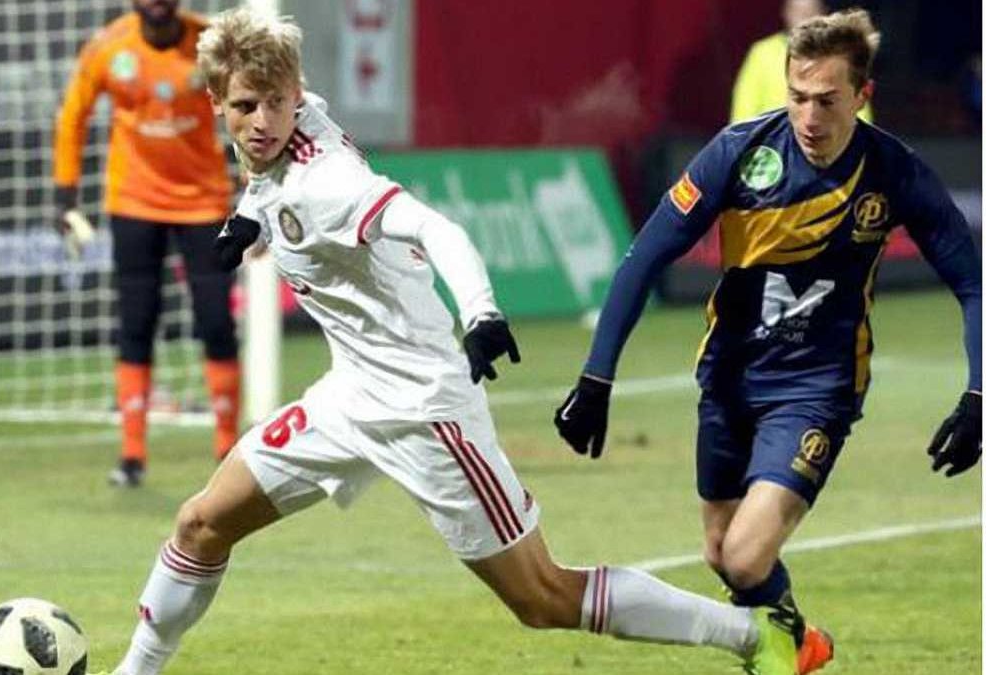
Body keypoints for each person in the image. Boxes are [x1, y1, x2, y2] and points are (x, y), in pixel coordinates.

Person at [90, 8, 804, 675]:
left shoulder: (327, 183)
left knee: (542, 596)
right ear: (216, 102)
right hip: (348, 396)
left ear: (296, 94)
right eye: (247, 106)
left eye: (277, 103)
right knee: (201, 522)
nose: (264, 121)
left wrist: (481, 312)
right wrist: (251, 212)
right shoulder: (292, 133)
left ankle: (755, 634)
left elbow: (437, 230)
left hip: (424, 407)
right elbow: (269, 171)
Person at [556, 8, 980, 674]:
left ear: (862, 95)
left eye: (827, 100)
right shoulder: (739, 152)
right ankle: (796, 643)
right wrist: (596, 377)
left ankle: (779, 655)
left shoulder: (893, 171)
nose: (809, 116)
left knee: (747, 556)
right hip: (728, 378)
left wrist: (979, 392)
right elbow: (645, 257)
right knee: (720, 550)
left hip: (818, 387)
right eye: (798, 96)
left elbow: (973, 281)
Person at [53, 0, 241, 484]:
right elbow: (73, 115)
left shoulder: (211, 43)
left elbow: (251, 103)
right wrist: (64, 193)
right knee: (136, 322)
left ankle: (228, 448)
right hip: (134, 201)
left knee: (216, 320)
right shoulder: (108, 46)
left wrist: (256, 181)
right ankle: (132, 455)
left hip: (204, 202)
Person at [731, 0, 873, 124]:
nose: (804, 17)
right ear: (786, 13)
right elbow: (744, 106)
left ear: (822, 15)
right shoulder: (763, 52)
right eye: (798, 11)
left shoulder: (841, 54)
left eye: (810, 11)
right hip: (773, 142)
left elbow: (857, 103)